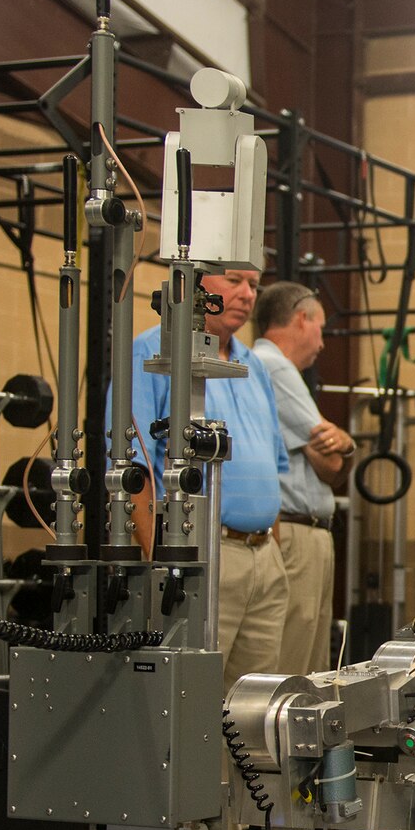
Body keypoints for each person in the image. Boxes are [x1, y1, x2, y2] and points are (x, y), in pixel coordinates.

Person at [120, 265, 289, 692]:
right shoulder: (152, 352)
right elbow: (133, 469)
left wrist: (275, 548)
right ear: (196, 284)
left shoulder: (254, 366)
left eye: (254, 284)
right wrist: (158, 562)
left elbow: (272, 462)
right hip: (202, 550)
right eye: (234, 281)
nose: (248, 294)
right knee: (196, 697)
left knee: (256, 707)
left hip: (263, 557)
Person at [250, 282, 353, 674]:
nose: (323, 343)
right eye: (321, 328)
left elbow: (329, 462)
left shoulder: (264, 364)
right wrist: (348, 444)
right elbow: (331, 455)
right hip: (294, 530)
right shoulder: (273, 364)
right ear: (301, 318)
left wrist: (342, 449)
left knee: (309, 659)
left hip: (304, 531)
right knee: (294, 666)